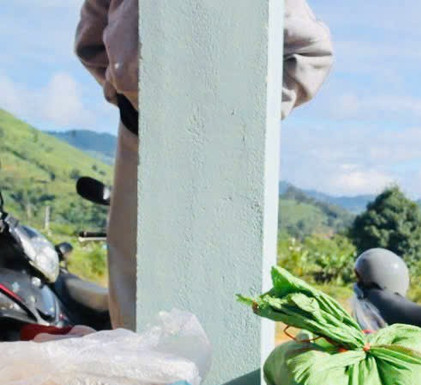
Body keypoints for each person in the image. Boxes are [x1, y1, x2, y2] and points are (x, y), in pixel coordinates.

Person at [75, 0, 335, 329]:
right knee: (134, 305)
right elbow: (92, 42)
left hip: (229, 153)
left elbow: (312, 51)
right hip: (141, 137)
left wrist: (250, 117)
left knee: (228, 303)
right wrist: (127, 95)